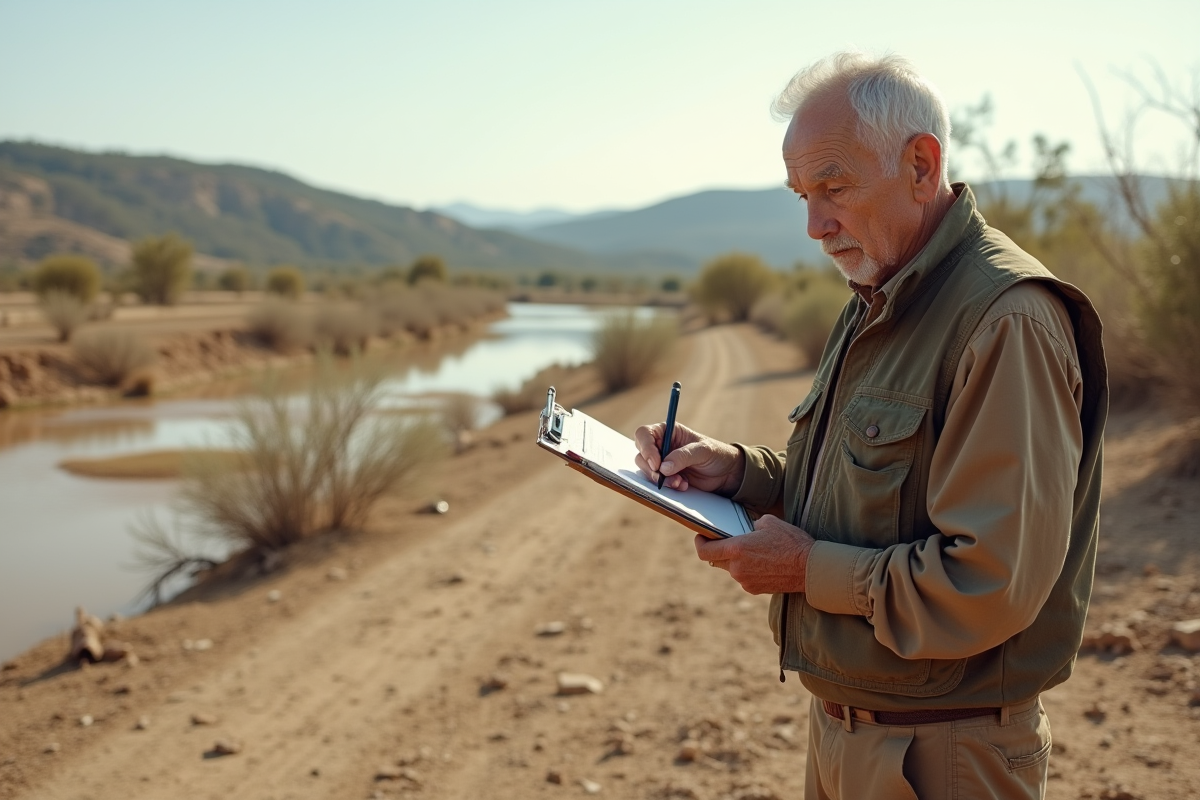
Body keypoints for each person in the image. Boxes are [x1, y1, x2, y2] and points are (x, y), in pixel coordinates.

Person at [635, 52, 1107, 800]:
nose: (817, 226)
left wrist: (802, 569)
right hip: (850, 736)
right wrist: (739, 472)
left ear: (922, 166)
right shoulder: (880, 291)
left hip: (945, 756)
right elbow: (866, 492)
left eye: (834, 188)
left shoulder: (1007, 320)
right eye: (801, 196)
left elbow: (988, 582)